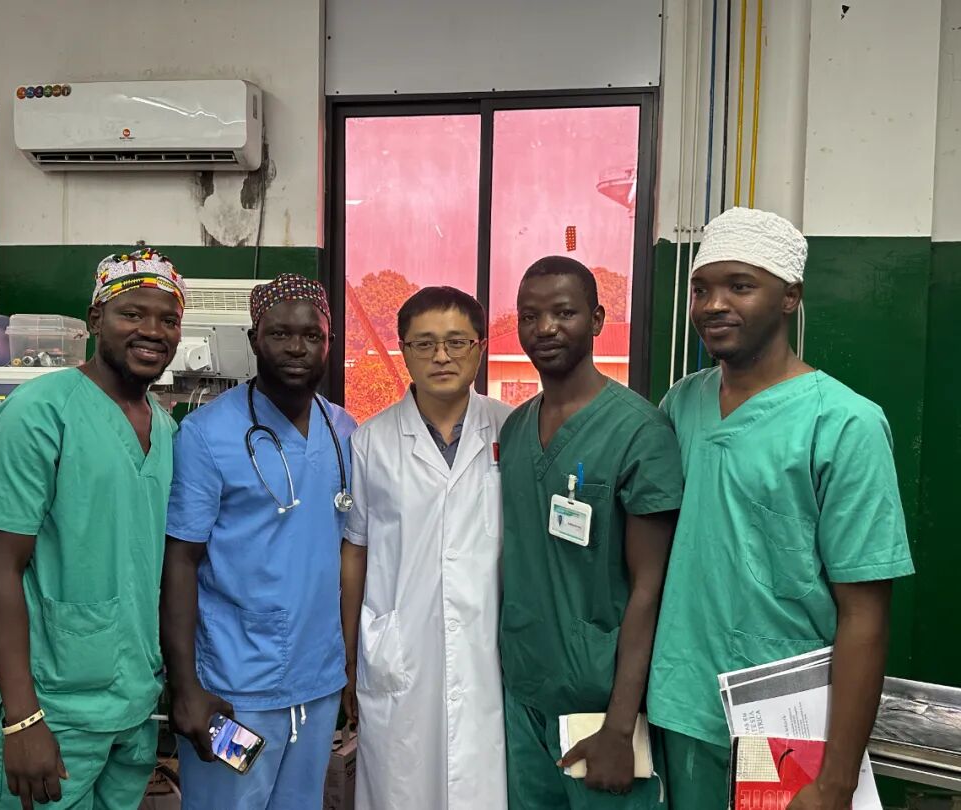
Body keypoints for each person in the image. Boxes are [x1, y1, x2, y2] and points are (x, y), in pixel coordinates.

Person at [648, 207, 915, 810]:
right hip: (682, 707)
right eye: (701, 289)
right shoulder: (680, 404)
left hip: (786, 728)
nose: (714, 304)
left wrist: (836, 780)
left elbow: (865, 614)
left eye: (740, 286)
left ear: (790, 297)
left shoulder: (845, 424)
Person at [0, 249, 186, 810]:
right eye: (132, 313)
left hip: (133, 706)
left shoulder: (165, 429)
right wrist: (22, 718)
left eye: (168, 319)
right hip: (54, 711)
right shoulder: (39, 412)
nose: (152, 331)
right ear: (96, 319)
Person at [161, 274, 357, 809]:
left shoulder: (344, 432)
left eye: (312, 336)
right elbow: (180, 561)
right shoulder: (208, 434)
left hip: (317, 686)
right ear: (254, 339)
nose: (297, 348)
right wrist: (185, 687)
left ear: (329, 343)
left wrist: (346, 673)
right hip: (232, 692)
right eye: (280, 334)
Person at [499, 256, 682, 809]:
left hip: (601, 708)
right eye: (529, 316)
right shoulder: (515, 428)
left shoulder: (639, 432)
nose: (545, 328)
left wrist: (620, 728)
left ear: (597, 320)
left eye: (564, 312)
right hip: (525, 695)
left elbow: (650, 588)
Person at [341, 287, 512, 810]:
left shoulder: (513, 428)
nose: (441, 356)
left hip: (489, 650)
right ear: (404, 351)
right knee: (401, 787)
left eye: (457, 342)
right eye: (425, 343)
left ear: (480, 348)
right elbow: (356, 551)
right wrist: (348, 655)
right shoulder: (370, 441)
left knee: (483, 786)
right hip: (401, 650)